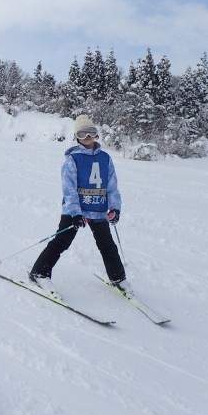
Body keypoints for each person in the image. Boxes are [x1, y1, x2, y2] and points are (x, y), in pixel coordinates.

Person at [28, 115, 132, 300]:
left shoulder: (105, 158)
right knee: (62, 241)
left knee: (107, 245)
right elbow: (68, 188)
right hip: (75, 210)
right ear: (76, 137)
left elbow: (112, 186)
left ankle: (118, 278)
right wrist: (75, 213)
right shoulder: (72, 159)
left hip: (98, 209)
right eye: (82, 133)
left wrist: (115, 208)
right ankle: (39, 273)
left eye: (91, 132)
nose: (87, 137)